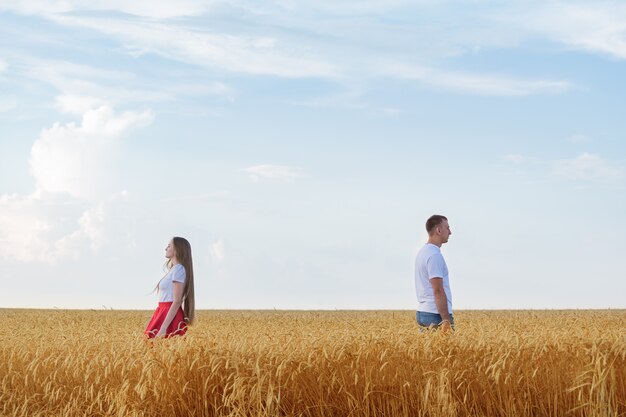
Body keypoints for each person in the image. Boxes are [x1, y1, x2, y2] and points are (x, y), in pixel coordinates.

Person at [144, 237, 195, 338]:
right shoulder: (174, 269)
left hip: (169, 314)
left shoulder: (178, 269)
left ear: (177, 249)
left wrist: (163, 328)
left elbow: (177, 301)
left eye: (169, 246)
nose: (165, 248)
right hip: (162, 311)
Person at [415, 215, 454, 331]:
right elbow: (438, 290)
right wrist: (446, 320)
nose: (450, 232)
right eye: (447, 228)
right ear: (439, 230)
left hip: (423, 312)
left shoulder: (423, 252)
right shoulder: (434, 256)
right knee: (445, 348)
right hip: (435, 315)